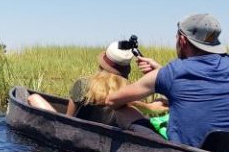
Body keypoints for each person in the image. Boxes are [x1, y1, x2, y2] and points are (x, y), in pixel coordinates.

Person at [107, 14, 229, 147]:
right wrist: (160, 71)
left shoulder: (174, 71)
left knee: (122, 111)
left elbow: (112, 100)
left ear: (182, 40)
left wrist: (158, 76)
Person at [27, 41, 157, 132]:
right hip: (105, 137)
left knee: (33, 98)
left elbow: (69, 120)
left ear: (102, 63)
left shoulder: (83, 84)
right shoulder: (128, 92)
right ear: (126, 69)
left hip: (75, 134)